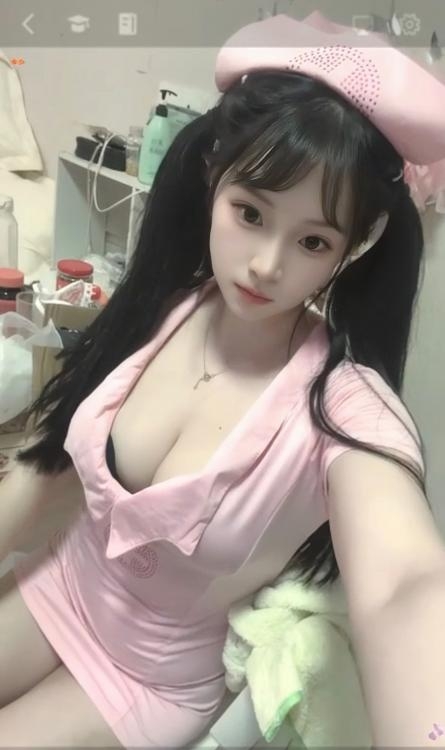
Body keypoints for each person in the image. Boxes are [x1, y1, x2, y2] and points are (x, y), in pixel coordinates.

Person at [1, 10, 445, 749]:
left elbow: (406, 584)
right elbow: (46, 468)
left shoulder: (344, 408)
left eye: (312, 241)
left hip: (148, 681)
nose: (266, 265)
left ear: (358, 245)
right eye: (249, 213)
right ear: (214, 175)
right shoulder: (165, 303)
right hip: (63, 584)